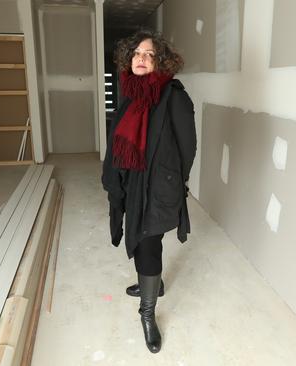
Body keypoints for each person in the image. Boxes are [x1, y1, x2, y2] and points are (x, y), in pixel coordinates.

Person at [101, 29, 196, 354]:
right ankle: (152, 284)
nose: (141, 59)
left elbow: (188, 147)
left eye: (149, 54)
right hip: (131, 183)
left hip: (157, 186)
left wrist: (171, 182)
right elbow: (117, 138)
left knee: (146, 242)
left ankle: (147, 313)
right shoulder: (128, 91)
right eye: (137, 53)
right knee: (142, 239)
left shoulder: (174, 95)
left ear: (160, 61)